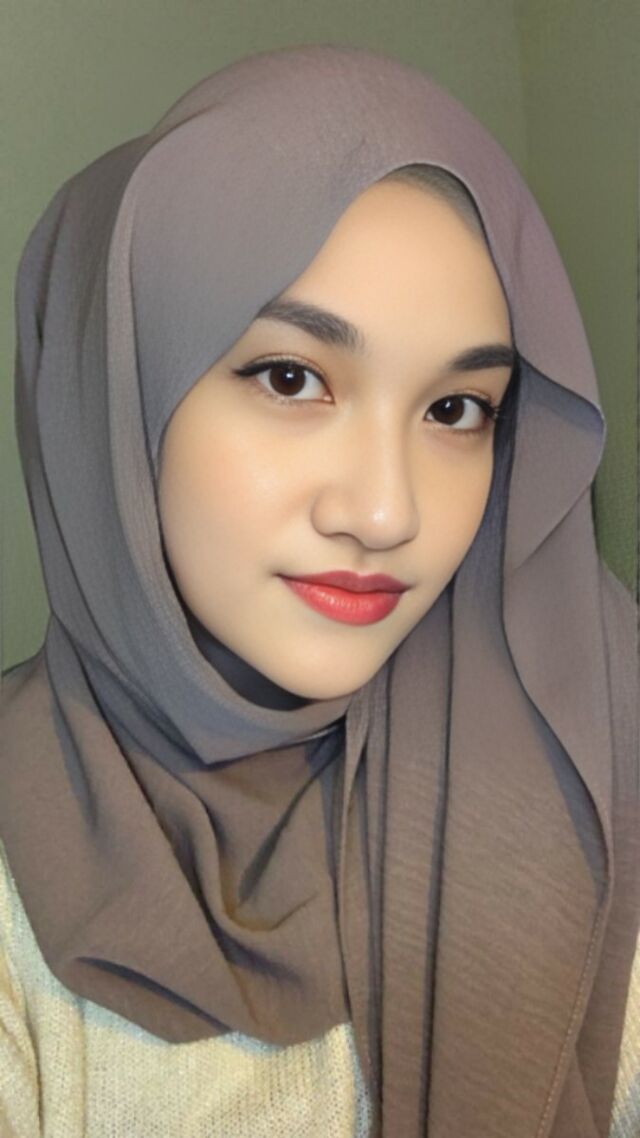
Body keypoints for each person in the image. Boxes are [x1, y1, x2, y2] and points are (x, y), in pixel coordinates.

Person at [0, 42, 638, 1138]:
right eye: (292, 378)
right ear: (117, 390)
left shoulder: (590, 744)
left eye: (456, 410)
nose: (386, 513)